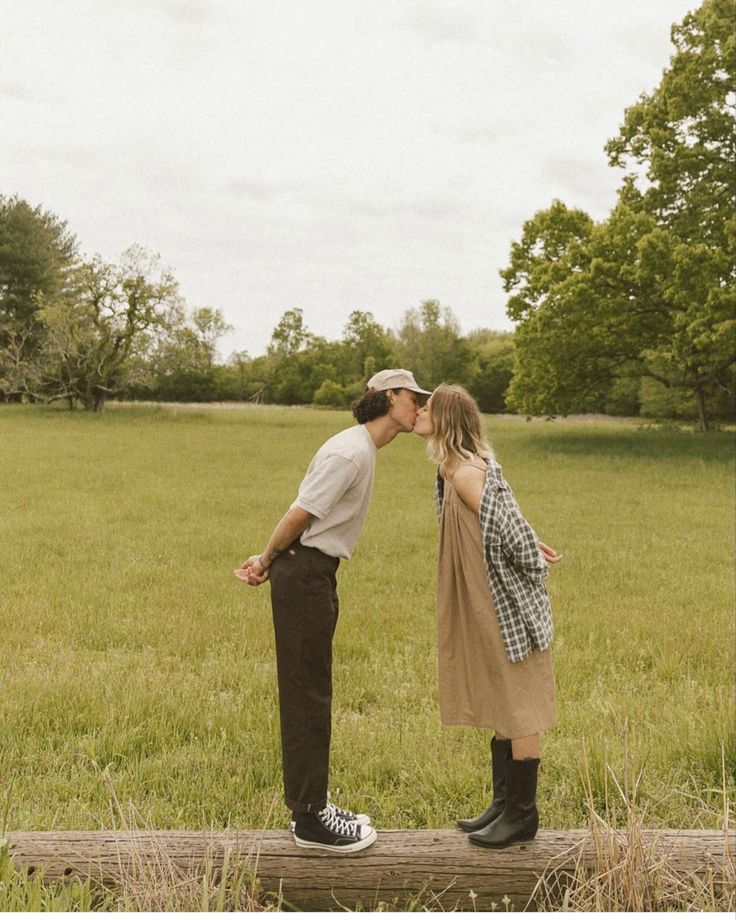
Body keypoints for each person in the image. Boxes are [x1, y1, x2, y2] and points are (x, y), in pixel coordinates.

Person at [234, 369, 431, 853]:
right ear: (390, 398)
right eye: (414, 397)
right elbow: (299, 513)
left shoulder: (362, 448)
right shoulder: (350, 451)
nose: (421, 406)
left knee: (314, 687)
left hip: (315, 572)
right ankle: (310, 820)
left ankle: (314, 805)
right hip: (303, 572)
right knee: (307, 692)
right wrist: (264, 561)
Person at [413, 383, 561, 849]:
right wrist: (528, 537)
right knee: (501, 695)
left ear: (447, 419)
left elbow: (508, 532)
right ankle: (502, 805)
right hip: (481, 598)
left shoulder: (466, 474)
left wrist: (531, 550)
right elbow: (506, 520)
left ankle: (522, 814)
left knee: (519, 702)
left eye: (427, 408)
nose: (418, 412)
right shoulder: (451, 466)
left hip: (500, 602)